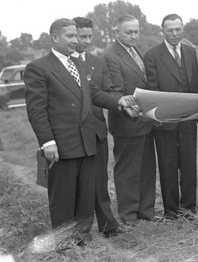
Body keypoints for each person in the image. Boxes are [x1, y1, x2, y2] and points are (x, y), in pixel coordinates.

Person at [24, 18, 136, 248]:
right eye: (70, 36)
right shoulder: (39, 67)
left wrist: (119, 101)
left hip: (87, 142)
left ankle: (81, 239)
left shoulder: (78, 64)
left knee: (86, 195)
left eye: (77, 36)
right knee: (63, 197)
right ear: (55, 38)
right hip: (62, 145)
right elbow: (37, 111)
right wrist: (48, 143)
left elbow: (93, 94)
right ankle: (64, 245)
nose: (75, 41)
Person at [144, 14, 198, 220]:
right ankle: (171, 211)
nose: (174, 34)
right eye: (170, 30)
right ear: (163, 31)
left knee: (189, 164)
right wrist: (163, 116)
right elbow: (152, 89)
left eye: (178, 29)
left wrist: (195, 113)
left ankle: (189, 209)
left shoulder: (190, 52)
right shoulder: (152, 55)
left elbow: (195, 84)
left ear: (182, 28)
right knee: (168, 164)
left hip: (188, 119)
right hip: (165, 121)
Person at [72, 17, 123, 237]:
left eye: (89, 36)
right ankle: (80, 229)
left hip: (97, 130)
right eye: (81, 36)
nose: (86, 41)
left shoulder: (97, 61)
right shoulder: (65, 63)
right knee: (79, 183)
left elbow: (108, 91)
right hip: (75, 132)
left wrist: (120, 101)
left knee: (100, 181)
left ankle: (108, 225)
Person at [104, 14, 156, 225]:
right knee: (128, 170)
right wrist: (136, 109)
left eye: (136, 31)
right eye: (129, 32)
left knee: (146, 168)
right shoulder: (111, 55)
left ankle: (146, 212)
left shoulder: (135, 50)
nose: (134, 36)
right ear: (117, 32)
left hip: (145, 121)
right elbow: (115, 91)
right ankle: (129, 215)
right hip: (127, 122)